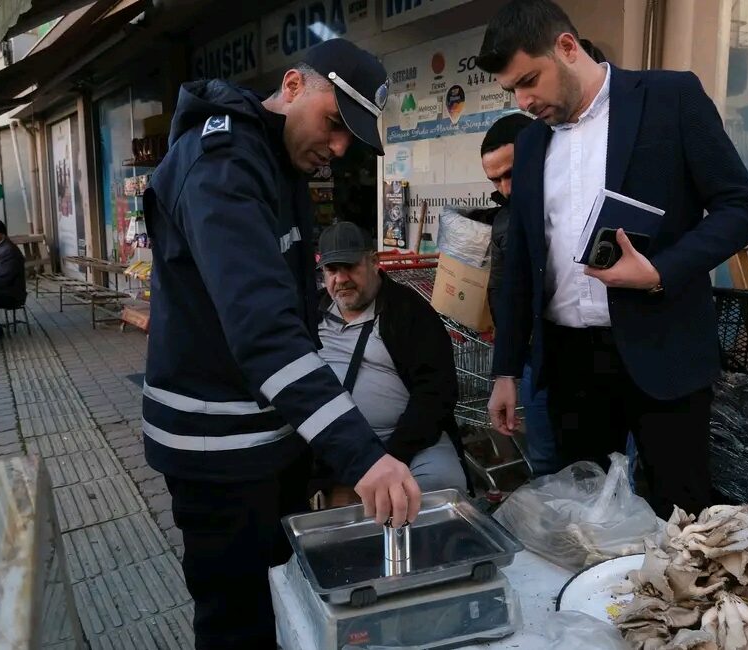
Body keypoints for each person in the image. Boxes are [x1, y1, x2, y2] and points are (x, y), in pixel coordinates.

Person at [141, 38, 422, 649]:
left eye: (353, 138)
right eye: (334, 123)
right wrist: (360, 454)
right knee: (238, 621)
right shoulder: (222, 165)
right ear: (293, 86)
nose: (340, 148)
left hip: (266, 439)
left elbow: (296, 315)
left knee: (288, 600)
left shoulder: (278, 159)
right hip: (217, 447)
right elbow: (264, 332)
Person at [477, 0, 748, 519]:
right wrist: (506, 371)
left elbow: (742, 207)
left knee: (681, 520)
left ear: (567, 47)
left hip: (664, 350)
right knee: (582, 519)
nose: (522, 100)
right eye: (512, 91)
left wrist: (660, 271)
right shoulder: (531, 141)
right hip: (569, 365)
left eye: (529, 80)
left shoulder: (669, 97)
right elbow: (522, 260)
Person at [316, 222, 466, 494]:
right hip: (333, 443)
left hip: (410, 442)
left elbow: (436, 392)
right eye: (332, 270)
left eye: (350, 266)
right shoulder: (310, 314)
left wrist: (391, 457)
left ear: (373, 262)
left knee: (441, 488)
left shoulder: (409, 311)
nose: (341, 279)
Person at [479, 113, 558, 476]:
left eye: (510, 173)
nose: (506, 187)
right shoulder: (506, 219)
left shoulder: (566, 207)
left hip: (583, 353)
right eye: (496, 179)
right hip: (532, 360)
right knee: (544, 462)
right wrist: (505, 370)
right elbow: (503, 293)